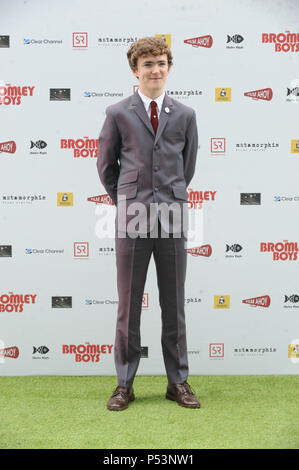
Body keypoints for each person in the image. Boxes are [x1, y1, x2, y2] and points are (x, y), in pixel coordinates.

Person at [97, 36, 200, 410]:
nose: (155, 70)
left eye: (160, 63)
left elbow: (186, 169)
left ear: (168, 68)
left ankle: (179, 382)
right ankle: (124, 384)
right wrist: (128, 202)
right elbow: (106, 168)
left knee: (174, 304)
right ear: (135, 70)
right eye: (147, 65)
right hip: (132, 218)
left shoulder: (186, 114)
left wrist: (167, 196)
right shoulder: (118, 113)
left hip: (172, 217)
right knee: (129, 303)